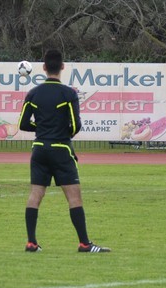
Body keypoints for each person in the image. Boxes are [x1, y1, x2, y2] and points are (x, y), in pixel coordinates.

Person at [17, 49, 109, 253]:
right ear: (62, 66)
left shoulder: (33, 93)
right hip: (61, 150)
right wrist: (60, 131)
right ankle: (84, 244)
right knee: (74, 197)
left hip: (39, 149)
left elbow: (23, 124)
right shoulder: (69, 93)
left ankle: (31, 242)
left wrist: (42, 128)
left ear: (43, 67)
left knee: (35, 195)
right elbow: (76, 125)